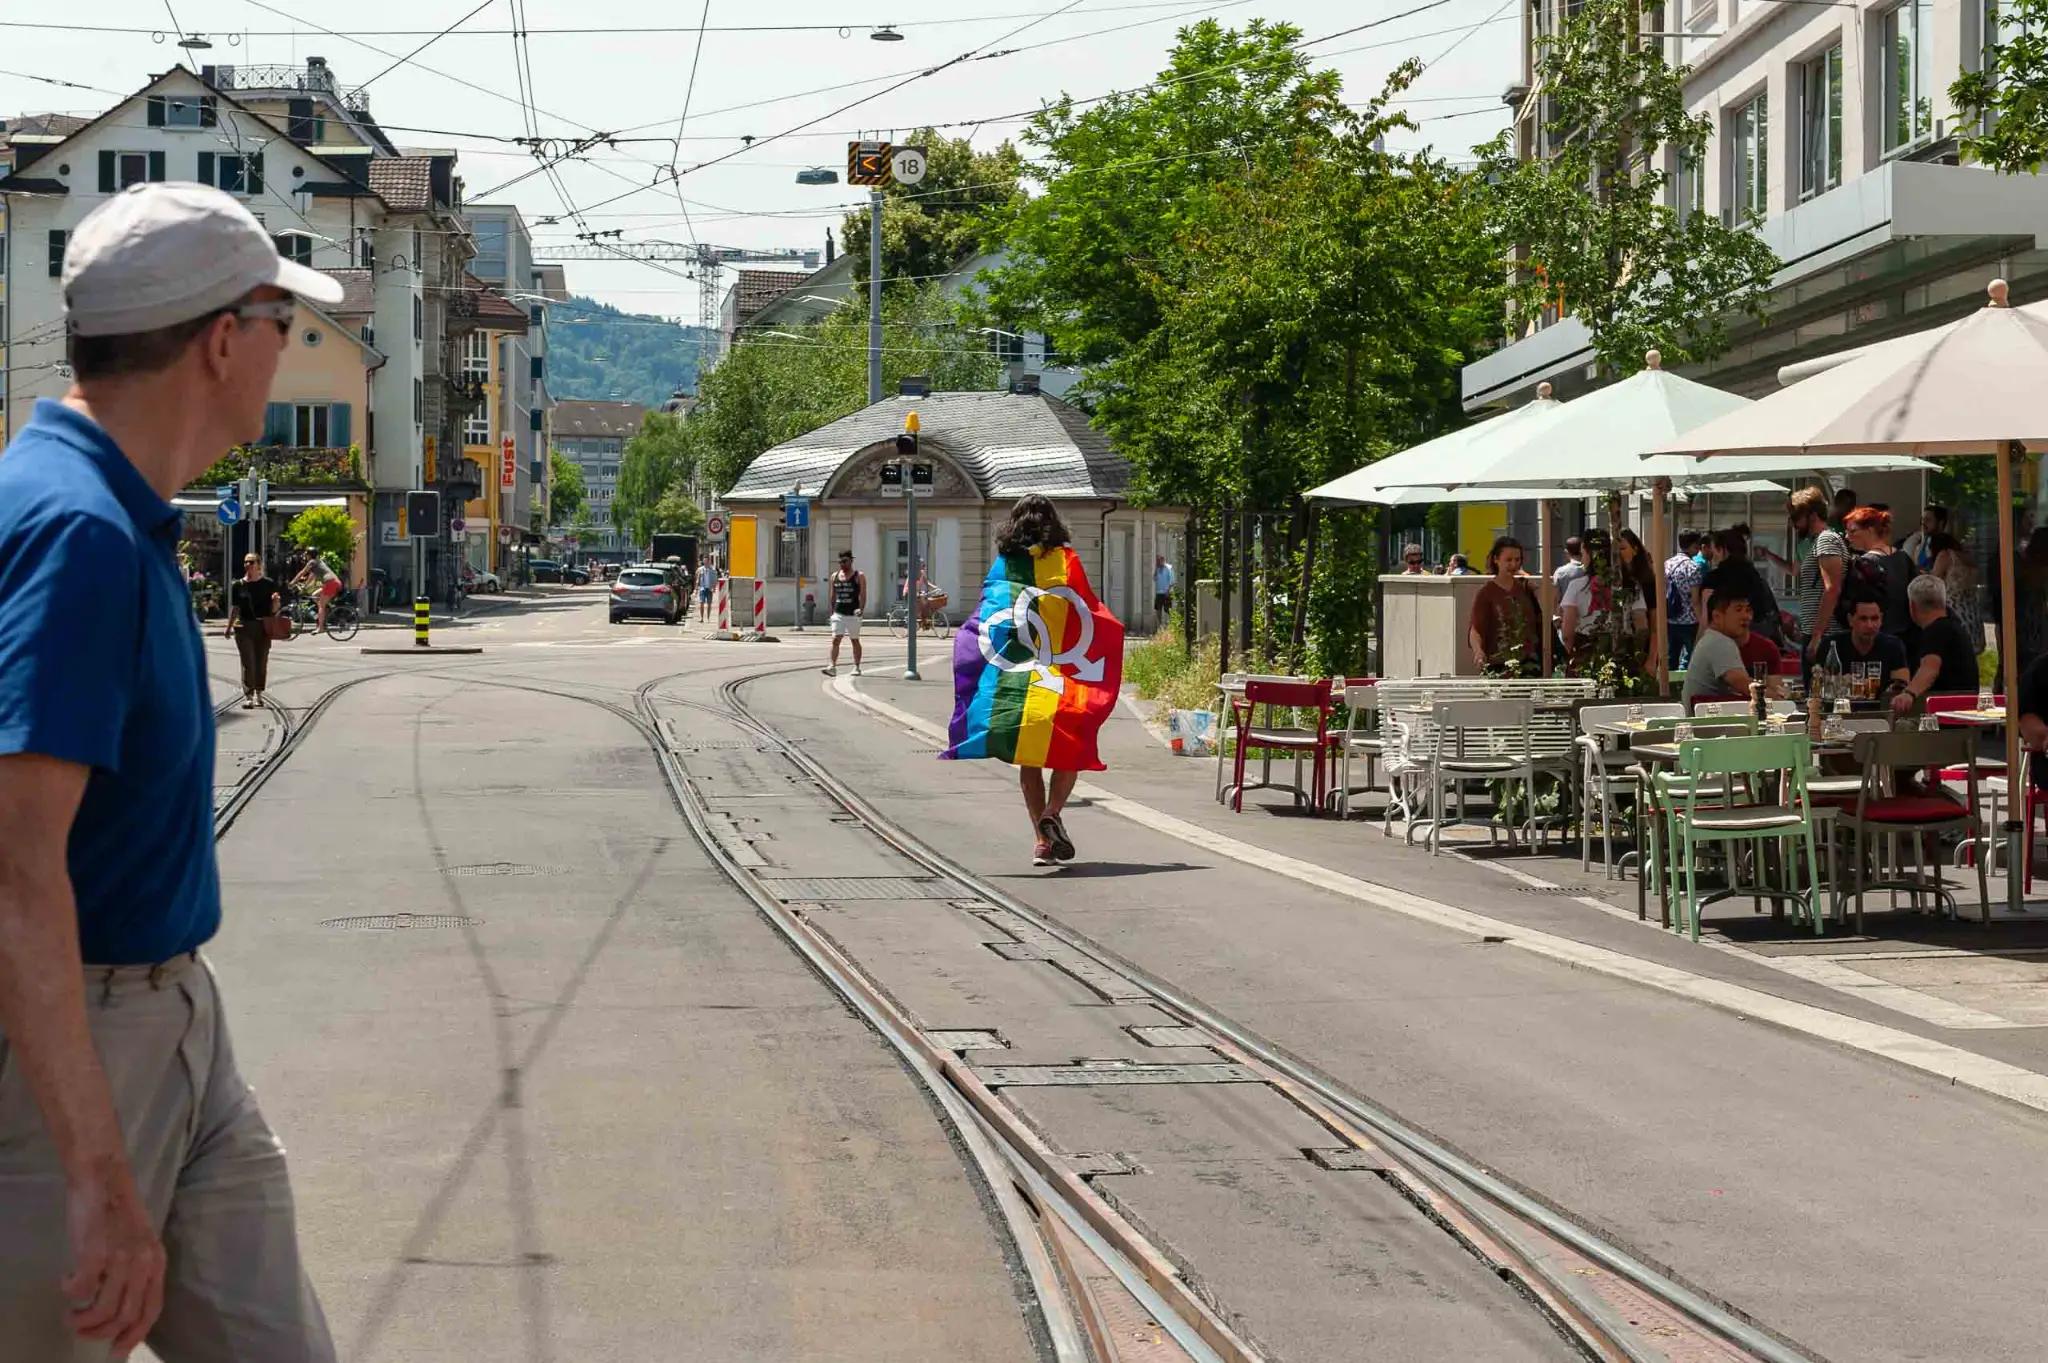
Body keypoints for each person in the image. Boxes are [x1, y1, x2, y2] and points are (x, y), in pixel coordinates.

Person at [0, 183, 337, 1361]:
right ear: (220, 340)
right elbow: (13, 867)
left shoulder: (106, 512)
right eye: (283, 324)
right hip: (76, 1041)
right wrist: (94, 1169)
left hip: (178, 1018)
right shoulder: (76, 532)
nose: (283, 354)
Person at [942, 495, 1123, 866]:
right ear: (1054, 523)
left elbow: (988, 615)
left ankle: (1042, 841)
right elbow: (1085, 609)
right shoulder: (1066, 560)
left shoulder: (1005, 563)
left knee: (1030, 754)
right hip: (1060, 675)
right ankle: (1053, 812)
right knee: (1073, 742)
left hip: (1020, 678)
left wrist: (971, 645)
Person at [1682, 580, 1782, 711]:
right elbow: (1744, 684)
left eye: (1748, 610)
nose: (1746, 616)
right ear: (1717, 617)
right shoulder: (1720, 642)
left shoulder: (1711, 638)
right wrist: (1780, 703)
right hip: (1706, 726)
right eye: (1738, 609)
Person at [1892, 575, 1985, 714]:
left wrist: (1909, 694)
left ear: (1913, 606)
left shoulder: (1936, 631)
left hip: (1948, 715)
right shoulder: (1954, 625)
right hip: (1965, 709)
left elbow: (1930, 668)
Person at [1559, 529, 1649, 665]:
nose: (1582, 558)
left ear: (1589, 554)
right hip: (1623, 652)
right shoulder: (1630, 585)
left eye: (1583, 553)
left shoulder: (1576, 586)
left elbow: (1567, 632)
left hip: (1586, 652)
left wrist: (1570, 656)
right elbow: (1641, 624)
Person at [1843, 506, 1919, 651]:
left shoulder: (1864, 563)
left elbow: (1856, 601)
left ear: (1870, 531)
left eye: (1853, 531)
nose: (1848, 537)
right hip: (1907, 636)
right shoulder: (1903, 557)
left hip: (1877, 638)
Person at [1695, 526, 1784, 645]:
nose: (1713, 555)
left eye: (1714, 549)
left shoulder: (1714, 580)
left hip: (1722, 644)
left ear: (1723, 550)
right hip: (1756, 643)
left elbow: (1706, 619)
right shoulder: (1755, 577)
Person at [1467, 536, 1542, 673]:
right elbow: (1476, 628)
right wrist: (1478, 652)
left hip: (1529, 665)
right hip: (1499, 665)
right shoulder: (1486, 592)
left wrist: (1536, 588)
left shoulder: (1526, 589)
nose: (1514, 565)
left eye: (1517, 560)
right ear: (1496, 560)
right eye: (1509, 560)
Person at [1790, 486, 1849, 659]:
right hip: (1817, 632)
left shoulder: (1826, 540)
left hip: (1827, 635)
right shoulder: (1817, 542)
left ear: (1812, 516)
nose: (1793, 524)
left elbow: (1832, 589)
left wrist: (1817, 634)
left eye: (1796, 517)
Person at [225, 553, 281, 706]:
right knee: (248, 661)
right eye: (246, 562)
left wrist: (276, 602)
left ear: (259, 564)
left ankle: (259, 693)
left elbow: (275, 610)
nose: (248, 565)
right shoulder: (238, 585)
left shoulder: (268, 584)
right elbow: (236, 608)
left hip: (263, 626)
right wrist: (229, 627)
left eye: (251, 562)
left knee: (261, 661)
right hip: (243, 626)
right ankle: (249, 695)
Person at [1928, 531, 1984, 655]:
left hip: (1954, 613)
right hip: (1971, 613)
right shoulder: (1967, 557)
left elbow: (1932, 583)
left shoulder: (1945, 555)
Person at [822, 549, 866, 677]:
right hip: (839, 614)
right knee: (836, 640)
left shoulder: (859, 576)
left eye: (845, 561)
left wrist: (861, 609)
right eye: (840, 562)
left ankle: (857, 667)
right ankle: (832, 666)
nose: (842, 564)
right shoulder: (834, 576)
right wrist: (831, 612)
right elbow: (832, 595)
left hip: (853, 614)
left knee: (854, 640)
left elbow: (863, 595)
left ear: (851, 561)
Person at [1664, 529, 1703, 669]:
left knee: (1671, 656)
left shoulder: (1667, 564)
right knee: (1692, 658)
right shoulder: (1693, 568)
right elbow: (1695, 600)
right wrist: (1702, 621)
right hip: (1690, 621)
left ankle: (1669, 685)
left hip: (1670, 618)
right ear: (1693, 545)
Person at [289, 550, 341, 632]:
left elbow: (302, 572)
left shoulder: (312, 562)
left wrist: (293, 582)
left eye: (307, 555)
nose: (305, 557)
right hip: (333, 583)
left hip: (330, 583)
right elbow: (311, 577)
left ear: (310, 555)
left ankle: (321, 627)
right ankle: (325, 611)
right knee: (314, 595)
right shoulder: (317, 564)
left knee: (321, 605)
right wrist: (305, 587)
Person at [1903, 504, 1949, 570]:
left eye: (1928, 520)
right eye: (1922, 519)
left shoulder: (1946, 545)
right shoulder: (1921, 543)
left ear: (1940, 524)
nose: (1923, 523)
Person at [1153, 553, 1176, 627]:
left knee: (1168, 609)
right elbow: (1154, 578)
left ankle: (1170, 625)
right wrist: (1156, 569)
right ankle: (1160, 625)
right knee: (1158, 609)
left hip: (1166, 592)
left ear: (1163, 560)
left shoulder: (1169, 568)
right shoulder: (1158, 568)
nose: (1158, 562)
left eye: (1159, 561)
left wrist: (1168, 590)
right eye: (1157, 561)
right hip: (1159, 592)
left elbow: (1172, 581)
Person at [696, 556, 716, 622]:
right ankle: (701, 618)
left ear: (709, 561)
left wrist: (714, 588)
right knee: (701, 603)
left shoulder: (712, 570)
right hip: (702, 588)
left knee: (709, 604)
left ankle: (708, 618)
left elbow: (714, 580)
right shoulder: (700, 569)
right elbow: (697, 579)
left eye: (707, 561)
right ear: (703, 561)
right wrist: (696, 589)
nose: (706, 562)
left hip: (709, 589)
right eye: (704, 561)